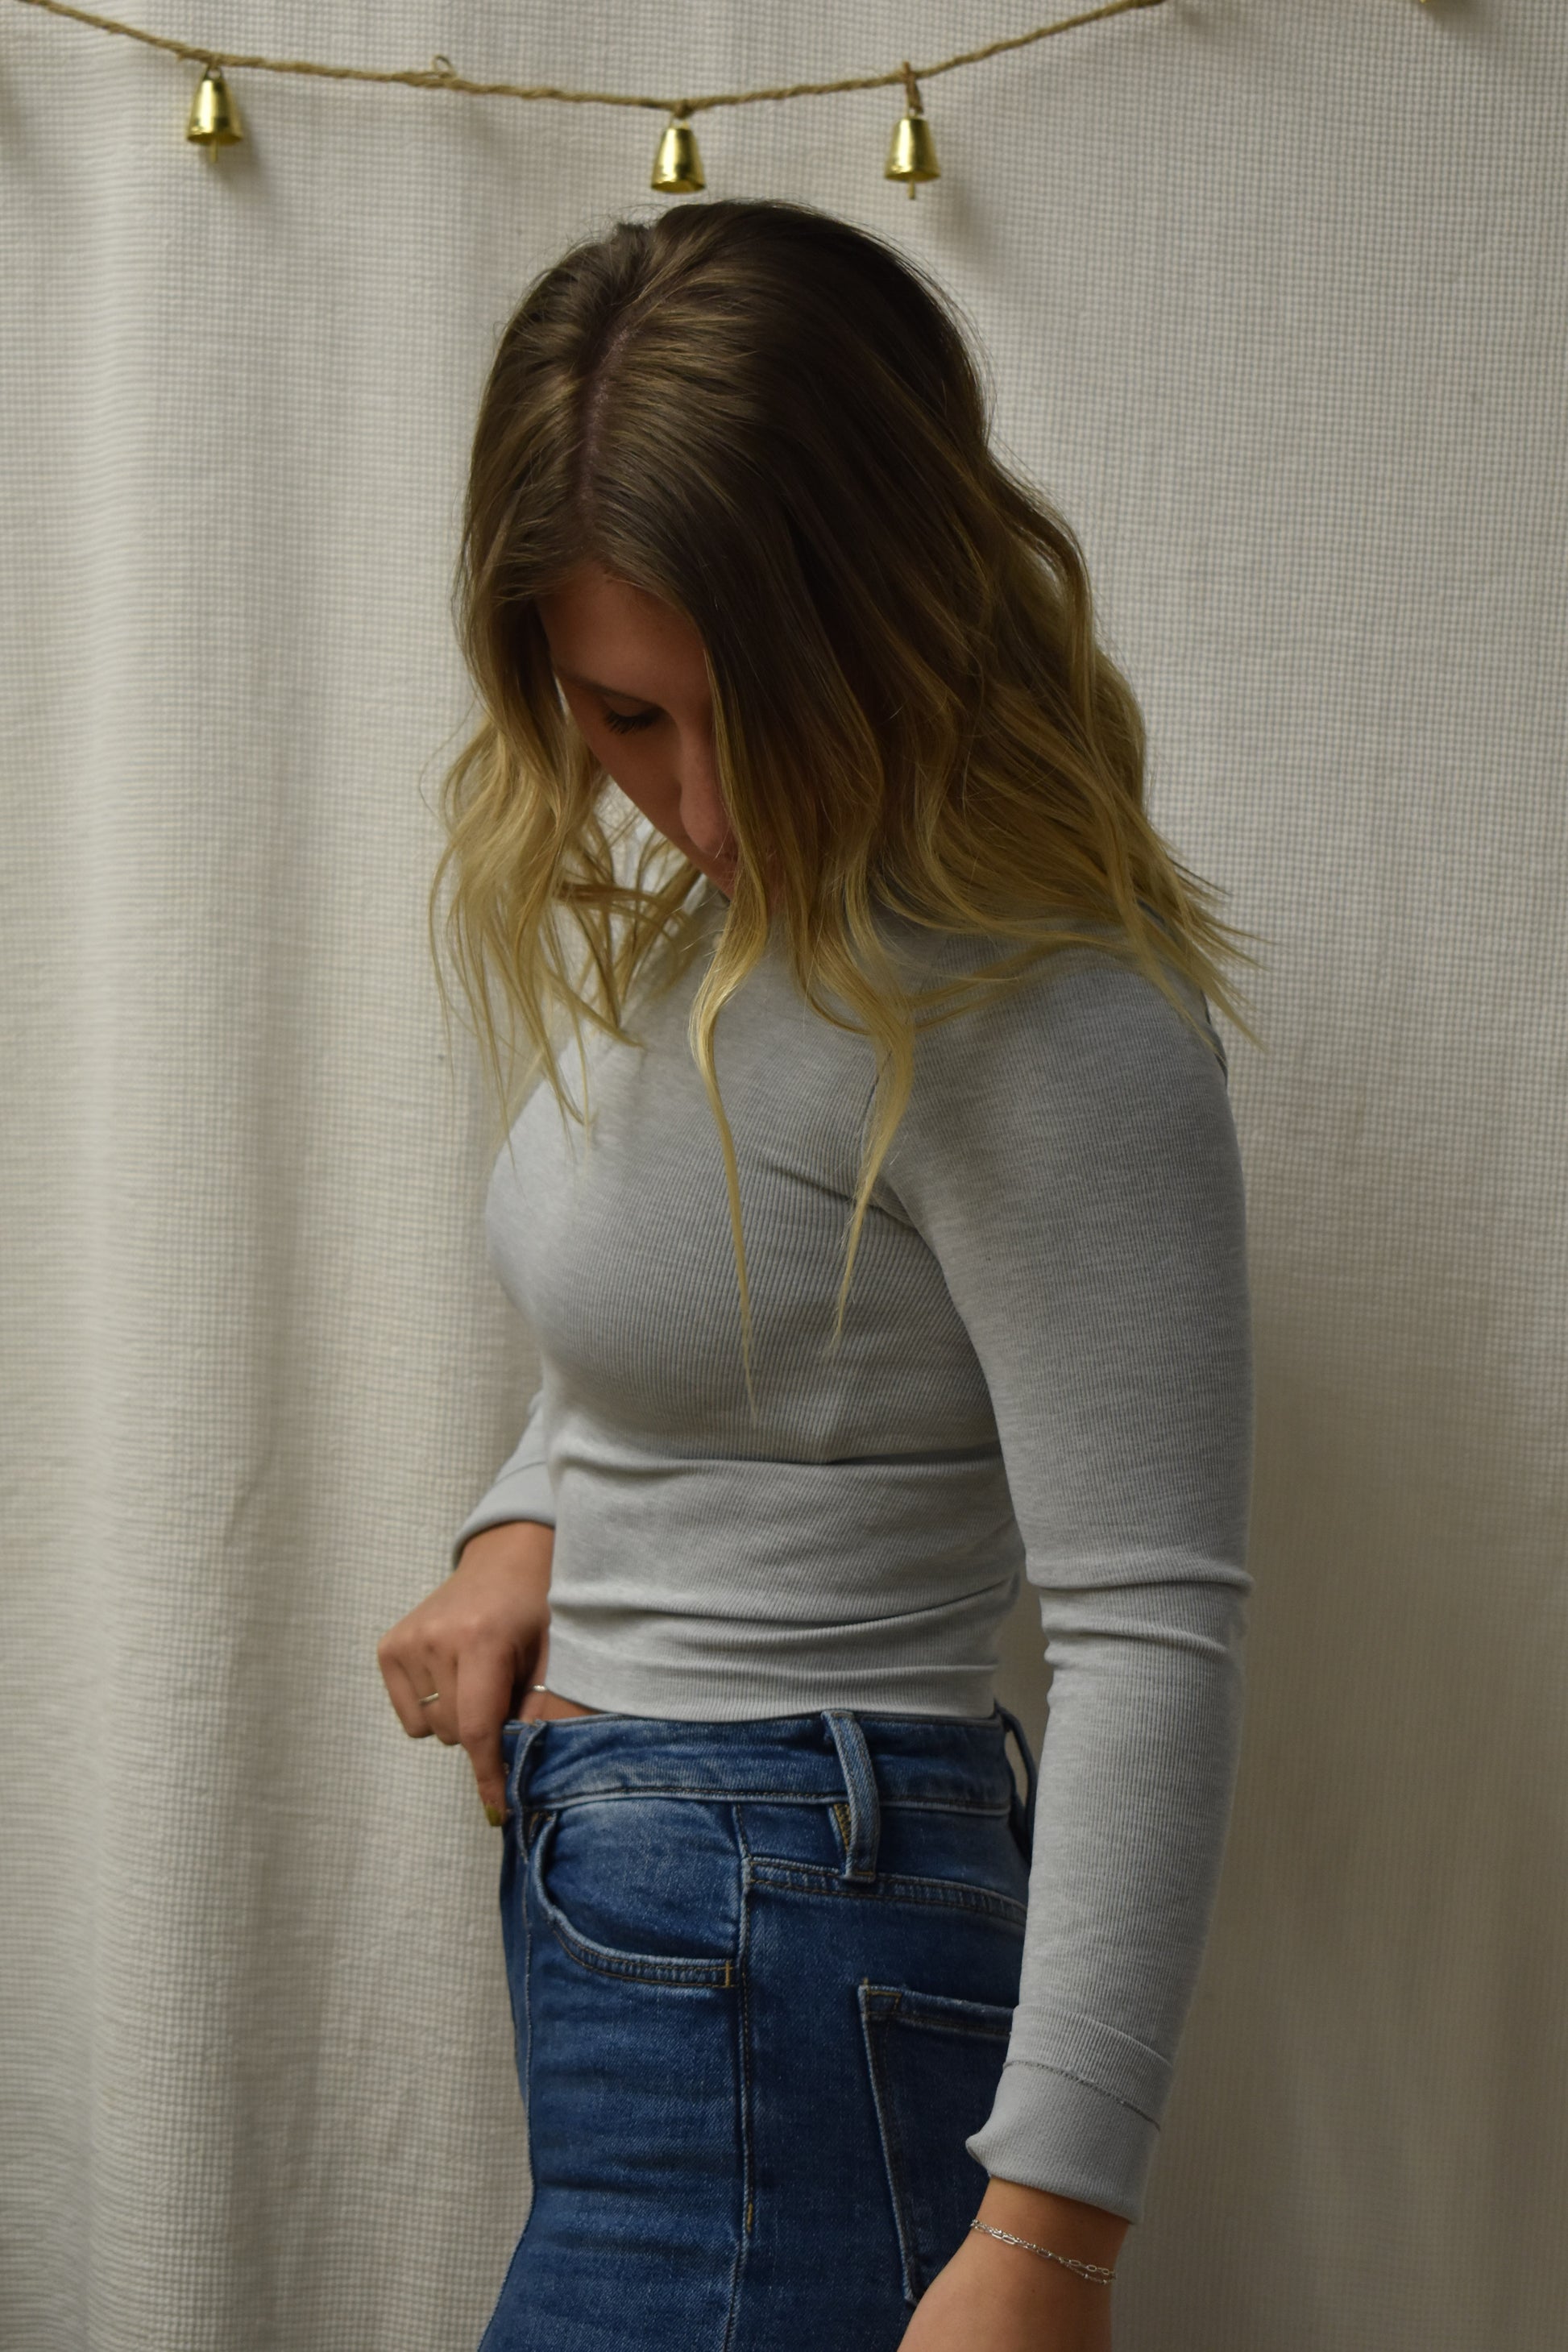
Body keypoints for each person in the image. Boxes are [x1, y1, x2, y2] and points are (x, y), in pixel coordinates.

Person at [376, 197, 1259, 2352]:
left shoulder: (1032, 1010)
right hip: (669, 1926)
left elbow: (1149, 1636)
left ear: (896, 616)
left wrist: (1049, 2242)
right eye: (626, 717)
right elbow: (710, 1321)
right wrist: (525, 1523)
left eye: (753, 712)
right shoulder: (727, 931)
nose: (697, 803)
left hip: (795, 1933)